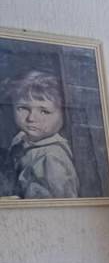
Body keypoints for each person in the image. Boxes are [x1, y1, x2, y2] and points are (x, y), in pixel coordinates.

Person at [1, 70, 78, 199]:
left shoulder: (51, 158)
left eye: (44, 111)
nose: (31, 118)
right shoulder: (21, 137)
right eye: (23, 108)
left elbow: (56, 204)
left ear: (63, 114)